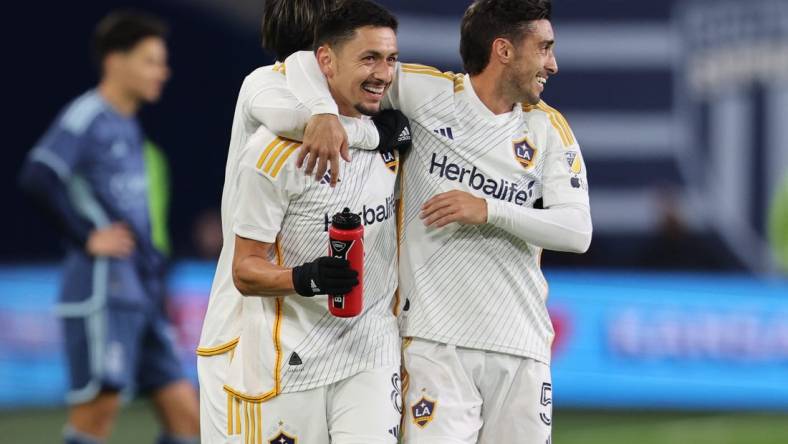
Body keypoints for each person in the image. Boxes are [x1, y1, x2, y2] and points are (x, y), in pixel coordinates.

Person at [267, 0, 593, 442]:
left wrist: (489, 210)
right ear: (503, 50)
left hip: (522, 345)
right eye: (544, 48)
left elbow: (577, 232)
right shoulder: (427, 94)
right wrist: (320, 113)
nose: (552, 64)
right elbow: (309, 64)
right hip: (434, 344)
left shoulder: (549, 129)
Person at [194, 0, 395, 442]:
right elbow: (305, 118)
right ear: (324, 51)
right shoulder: (266, 86)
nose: (382, 69)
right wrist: (378, 133)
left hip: (347, 345)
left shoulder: (367, 91)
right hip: (246, 330)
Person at [18, 11, 199, 444]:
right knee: (96, 417)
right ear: (115, 60)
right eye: (152, 60)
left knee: (188, 421)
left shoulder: (128, 124)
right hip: (104, 289)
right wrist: (86, 236)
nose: (163, 71)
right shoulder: (86, 116)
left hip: (141, 290)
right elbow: (38, 175)